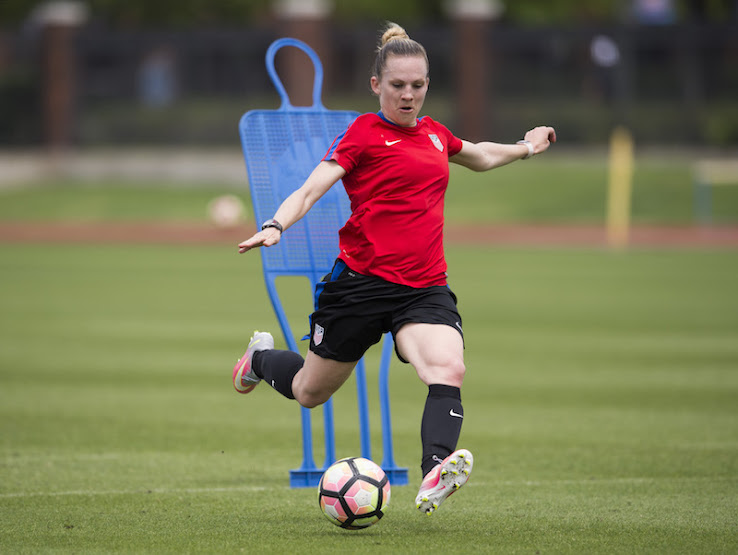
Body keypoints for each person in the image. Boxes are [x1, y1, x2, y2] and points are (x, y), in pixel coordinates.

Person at [233, 22, 556, 514]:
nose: (408, 95)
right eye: (398, 85)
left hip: (424, 287)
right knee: (308, 392)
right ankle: (258, 360)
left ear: (427, 85)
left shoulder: (434, 134)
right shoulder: (363, 134)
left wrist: (526, 147)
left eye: (418, 85)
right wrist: (277, 224)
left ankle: (435, 470)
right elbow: (311, 188)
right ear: (376, 85)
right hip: (358, 288)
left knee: (447, 367)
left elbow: (480, 155)